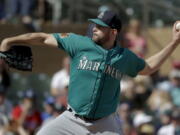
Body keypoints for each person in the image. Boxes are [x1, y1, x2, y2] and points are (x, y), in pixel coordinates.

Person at [0, 10, 180, 135]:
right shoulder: (79, 43)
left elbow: (148, 68)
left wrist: (173, 43)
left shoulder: (124, 57)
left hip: (105, 124)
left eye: (100, 26)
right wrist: (10, 40)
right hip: (72, 119)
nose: (94, 28)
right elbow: (44, 37)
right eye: (94, 24)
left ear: (113, 32)